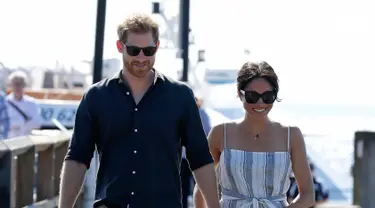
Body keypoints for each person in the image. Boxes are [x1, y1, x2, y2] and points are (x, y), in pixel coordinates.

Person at [59, 13, 220, 208]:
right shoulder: (96, 97)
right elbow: (77, 159)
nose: (142, 57)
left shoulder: (181, 96)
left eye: (148, 50)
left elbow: (200, 158)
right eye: (134, 50)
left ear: (157, 47)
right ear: (120, 47)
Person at [194, 61, 315, 208]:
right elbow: (201, 186)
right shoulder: (220, 133)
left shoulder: (292, 135)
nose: (260, 103)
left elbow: (308, 194)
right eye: (252, 96)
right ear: (240, 94)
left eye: (267, 96)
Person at [6, 71, 41, 138]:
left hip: (26, 143)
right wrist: (23, 121)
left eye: (20, 84)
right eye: (15, 84)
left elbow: (37, 123)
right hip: (9, 142)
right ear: (11, 85)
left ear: (24, 85)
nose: (17, 87)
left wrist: (15, 123)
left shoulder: (31, 103)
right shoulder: (5, 103)